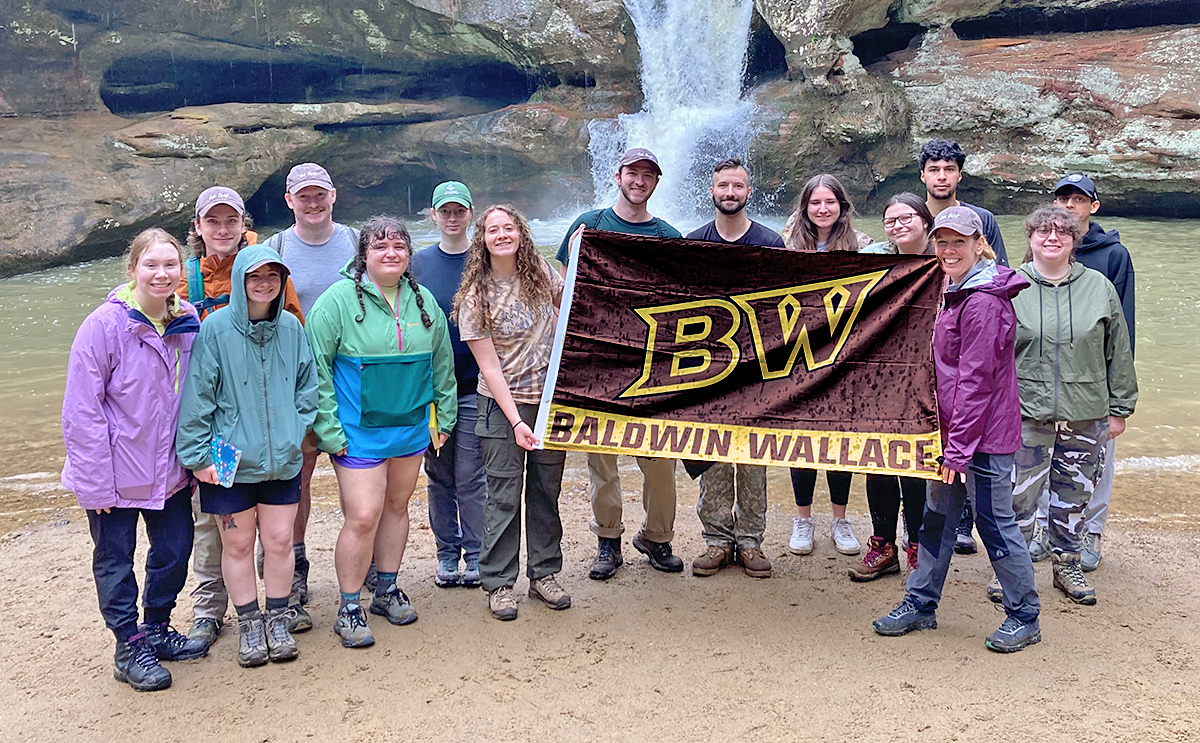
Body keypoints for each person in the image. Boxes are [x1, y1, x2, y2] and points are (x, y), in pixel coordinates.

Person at [872, 206, 1041, 653]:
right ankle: (921, 603)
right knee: (938, 519)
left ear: (978, 244)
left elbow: (975, 381)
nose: (948, 250)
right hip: (953, 435)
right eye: (942, 241)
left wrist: (959, 451)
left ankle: (1024, 615)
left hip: (981, 438)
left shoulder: (982, 301)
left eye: (958, 242)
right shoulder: (954, 286)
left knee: (994, 523)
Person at [62, 228, 207, 691]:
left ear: (182, 270)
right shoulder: (103, 326)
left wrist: (200, 459)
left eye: (171, 264)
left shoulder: (187, 322)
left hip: (169, 471)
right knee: (115, 560)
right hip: (114, 474)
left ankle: (157, 627)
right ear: (133, 270)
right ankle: (128, 645)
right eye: (152, 264)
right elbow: (81, 412)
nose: (162, 274)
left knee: (174, 551)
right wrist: (95, 484)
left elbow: (199, 397)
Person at [305, 216, 457, 648]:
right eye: (380, 246)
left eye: (399, 246)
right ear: (364, 255)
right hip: (358, 433)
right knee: (364, 515)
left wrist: (443, 418)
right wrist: (329, 431)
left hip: (410, 428)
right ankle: (349, 605)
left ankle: (387, 589)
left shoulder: (423, 300)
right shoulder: (335, 303)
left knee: (396, 507)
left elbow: (441, 366)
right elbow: (316, 371)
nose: (390, 253)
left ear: (409, 255)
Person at [176, 246, 318, 667]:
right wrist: (196, 456)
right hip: (227, 459)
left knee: (278, 541)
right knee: (236, 544)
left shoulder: (292, 327)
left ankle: (277, 618)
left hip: (282, 457)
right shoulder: (215, 329)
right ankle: (249, 624)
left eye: (273, 277)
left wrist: (297, 427)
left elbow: (307, 386)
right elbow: (197, 397)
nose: (264, 284)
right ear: (240, 280)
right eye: (255, 276)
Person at [557, 148, 685, 580]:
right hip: (597, 361)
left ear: (656, 183)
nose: (639, 181)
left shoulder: (669, 235)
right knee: (602, 461)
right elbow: (562, 289)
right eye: (633, 173)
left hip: (651, 364)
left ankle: (657, 537)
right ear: (618, 176)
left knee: (660, 461)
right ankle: (607, 540)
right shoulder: (588, 226)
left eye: (648, 175)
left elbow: (686, 297)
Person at [1004, 205, 1136, 605]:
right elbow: (993, 355)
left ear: (1074, 240)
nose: (1052, 238)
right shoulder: (1010, 285)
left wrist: (1120, 408)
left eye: (1062, 231)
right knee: (1018, 499)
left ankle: (1067, 564)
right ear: (1029, 239)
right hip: (1026, 413)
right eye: (1043, 231)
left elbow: (1119, 350)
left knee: (1074, 496)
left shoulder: (1098, 286)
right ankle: (1013, 572)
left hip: (1087, 412)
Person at [458, 205, 569, 620]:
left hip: (550, 402)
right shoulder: (475, 296)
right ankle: (499, 584)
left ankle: (545, 575)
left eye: (508, 228)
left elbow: (573, 305)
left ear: (521, 233)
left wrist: (584, 253)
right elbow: (488, 366)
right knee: (503, 497)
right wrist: (518, 421)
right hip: (501, 407)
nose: (502, 235)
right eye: (493, 229)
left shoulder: (539, 269)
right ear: (482, 238)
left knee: (546, 492)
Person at [266, 163, 360, 607]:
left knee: (361, 475)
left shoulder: (357, 242)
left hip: (350, 380)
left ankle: (371, 568)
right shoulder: (275, 248)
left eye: (319, 194)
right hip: (294, 383)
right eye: (303, 196)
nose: (313, 203)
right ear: (289, 201)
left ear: (333, 195)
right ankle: (296, 566)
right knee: (296, 479)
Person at [684, 158, 781, 578]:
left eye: (737, 186)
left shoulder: (770, 242)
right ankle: (718, 540)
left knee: (754, 458)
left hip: (757, 370)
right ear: (711, 190)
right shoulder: (692, 242)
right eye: (723, 185)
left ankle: (751, 541)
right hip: (707, 370)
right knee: (713, 456)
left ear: (748, 192)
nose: (729, 192)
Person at [918, 138, 1010, 554]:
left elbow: (998, 275)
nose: (941, 176)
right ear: (922, 175)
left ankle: (964, 524)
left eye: (948, 169)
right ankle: (922, 546)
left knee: (988, 508)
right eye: (934, 169)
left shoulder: (982, 220)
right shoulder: (913, 218)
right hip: (929, 345)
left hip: (965, 334)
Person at [851, 193, 936, 580]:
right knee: (878, 460)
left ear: (924, 219)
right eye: (891, 220)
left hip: (928, 375)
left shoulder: (943, 259)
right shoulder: (875, 260)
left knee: (916, 464)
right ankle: (883, 544)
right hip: (880, 375)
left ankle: (917, 544)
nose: (899, 226)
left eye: (907, 218)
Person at [781, 174, 866, 557]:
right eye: (815, 203)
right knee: (801, 440)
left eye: (829, 202)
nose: (822, 209)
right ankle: (803, 519)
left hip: (845, 357)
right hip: (797, 356)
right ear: (805, 207)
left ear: (841, 206)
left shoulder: (862, 245)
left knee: (839, 441)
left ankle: (840, 518)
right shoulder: (787, 245)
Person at [410, 182, 487, 589]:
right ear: (433, 215)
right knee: (439, 475)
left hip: (477, 386)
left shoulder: (486, 259)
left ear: (471, 213)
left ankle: (475, 552)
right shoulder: (417, 265)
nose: (452, 218)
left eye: (459, 210)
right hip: (431, 391)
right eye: (445, 211)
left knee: (472, 474)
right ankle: (446, 553)